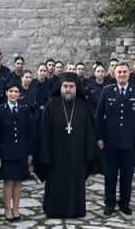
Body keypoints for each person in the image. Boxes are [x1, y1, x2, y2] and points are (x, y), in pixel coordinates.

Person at [40, 73, 97, 218]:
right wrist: (45, 154)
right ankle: (54, 210)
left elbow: (89, 132)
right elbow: (45, 131)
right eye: (65, 86)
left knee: (75, 183)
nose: (68, 89)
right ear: (60, 88)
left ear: (77, 88)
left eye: (71, 86)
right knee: (56, 183)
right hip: (56, 154)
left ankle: (75, 211)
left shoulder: (83, 105)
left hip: (77, 154)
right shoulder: (51, 104)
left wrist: (89, 152)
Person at [97, 62, 135, 216]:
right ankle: (110, 203)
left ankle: (125, 203)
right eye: (119, 72)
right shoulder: (107, 91)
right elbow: (99, 117)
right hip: (110, 142)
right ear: (114, 74)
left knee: (127, 176)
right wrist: (99, 137)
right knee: (110, 175)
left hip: (130, 143)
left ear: (129, 73)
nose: (122, 75)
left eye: (125, 72)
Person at [0, 84, 35, 221]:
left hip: (21, 152)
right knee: (8, 182)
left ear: (19, 94)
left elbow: (29, 133)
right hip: (6, 153)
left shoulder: (24, 110)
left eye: (16, 91)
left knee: (18, 181)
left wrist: (30, 153)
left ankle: (16, 209)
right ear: (6, 93)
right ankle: (7, 210)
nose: (13, 94)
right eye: (10, 91)